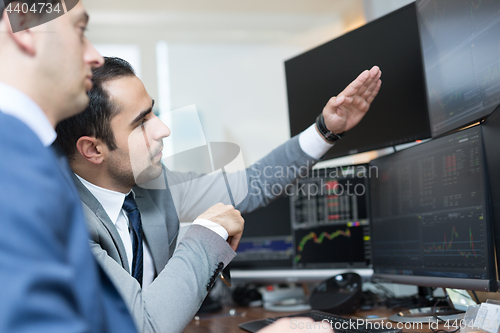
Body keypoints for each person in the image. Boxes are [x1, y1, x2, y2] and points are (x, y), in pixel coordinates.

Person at [55, 55, 381, 333]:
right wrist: (207, 233)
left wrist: (325, 130)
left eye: (152, 112)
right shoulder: (60, 224)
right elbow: (145, 325)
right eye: (141, 122)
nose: (163, 129)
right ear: (93, 149)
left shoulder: (151, 187)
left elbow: (252, 185)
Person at [0, 1, 138, 332]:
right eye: (80, 31)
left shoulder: (36, 155)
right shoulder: (11, 161)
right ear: (25, 26)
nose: (96, 58)